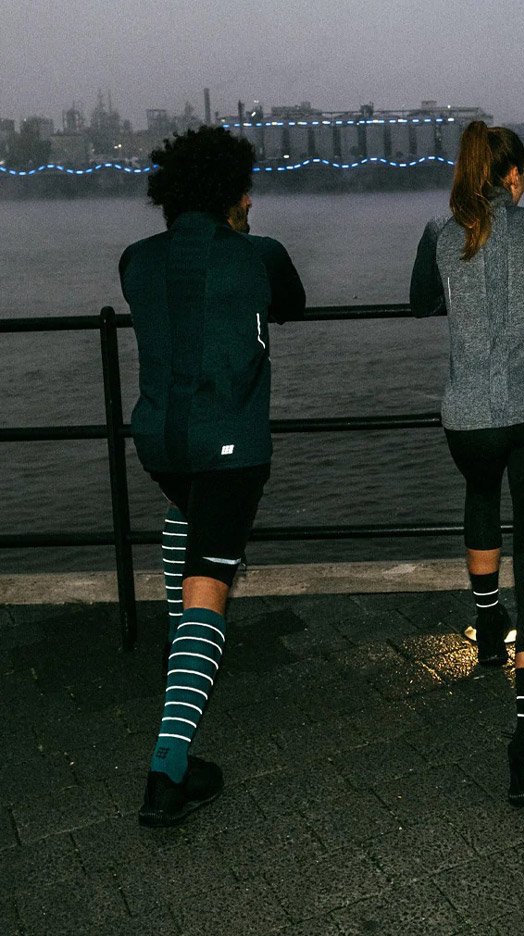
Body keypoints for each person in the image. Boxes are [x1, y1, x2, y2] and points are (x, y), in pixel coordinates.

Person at [410, 121, 524, 806]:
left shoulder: (440, 234)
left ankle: (489, 623)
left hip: (469, 420)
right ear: (513, 174)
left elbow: (419, 302)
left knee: (481, 493)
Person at [120, 126, 305, 827]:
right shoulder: (258, 254)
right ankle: (168, 772)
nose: (251, 200)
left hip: (160, 446)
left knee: (188, 524)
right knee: (210, 586)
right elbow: (290, 304)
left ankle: (181, 669)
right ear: (229, 193)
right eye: (244, 191)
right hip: (230, 447)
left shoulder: (135, 260)